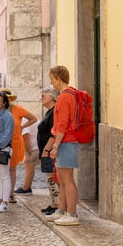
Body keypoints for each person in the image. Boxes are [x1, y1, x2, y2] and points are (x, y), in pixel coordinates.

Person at [0, 87, 36, 203]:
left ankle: (9, 195)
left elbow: (33, 118)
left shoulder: (17, 110)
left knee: (11, 170)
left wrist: (22, 127)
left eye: (4, 99)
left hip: (14, 143)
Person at [46, 65, 80, 226]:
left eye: (52, 80)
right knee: (63, 179)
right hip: (66, 141)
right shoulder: (68, 94)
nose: (52, 83)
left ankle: (71, 214)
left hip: (67, 141)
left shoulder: (65, 97)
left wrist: (55, 146)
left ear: (59, 79)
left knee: (67, 180)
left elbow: (63, 123)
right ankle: (63, 211)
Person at [37, 86, 61, 215]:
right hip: (47, 150)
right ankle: (54, 203)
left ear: (51, 97)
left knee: (52, 177)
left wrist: (46, 150)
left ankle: (57, 204)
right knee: (50, 177)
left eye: (43, 96)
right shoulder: (49, 112)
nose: (41, 98)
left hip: (50, 151)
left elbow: (54, 133)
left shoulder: (54, 112)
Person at [14, 117, 40, 195]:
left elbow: (26, 138)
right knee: (29, 166)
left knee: (29, 166)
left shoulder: (24, 122)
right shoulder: (28, 119)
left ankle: (25, 188)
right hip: (36, 146)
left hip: (34, 148)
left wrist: (28, 153)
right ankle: (28, 187)